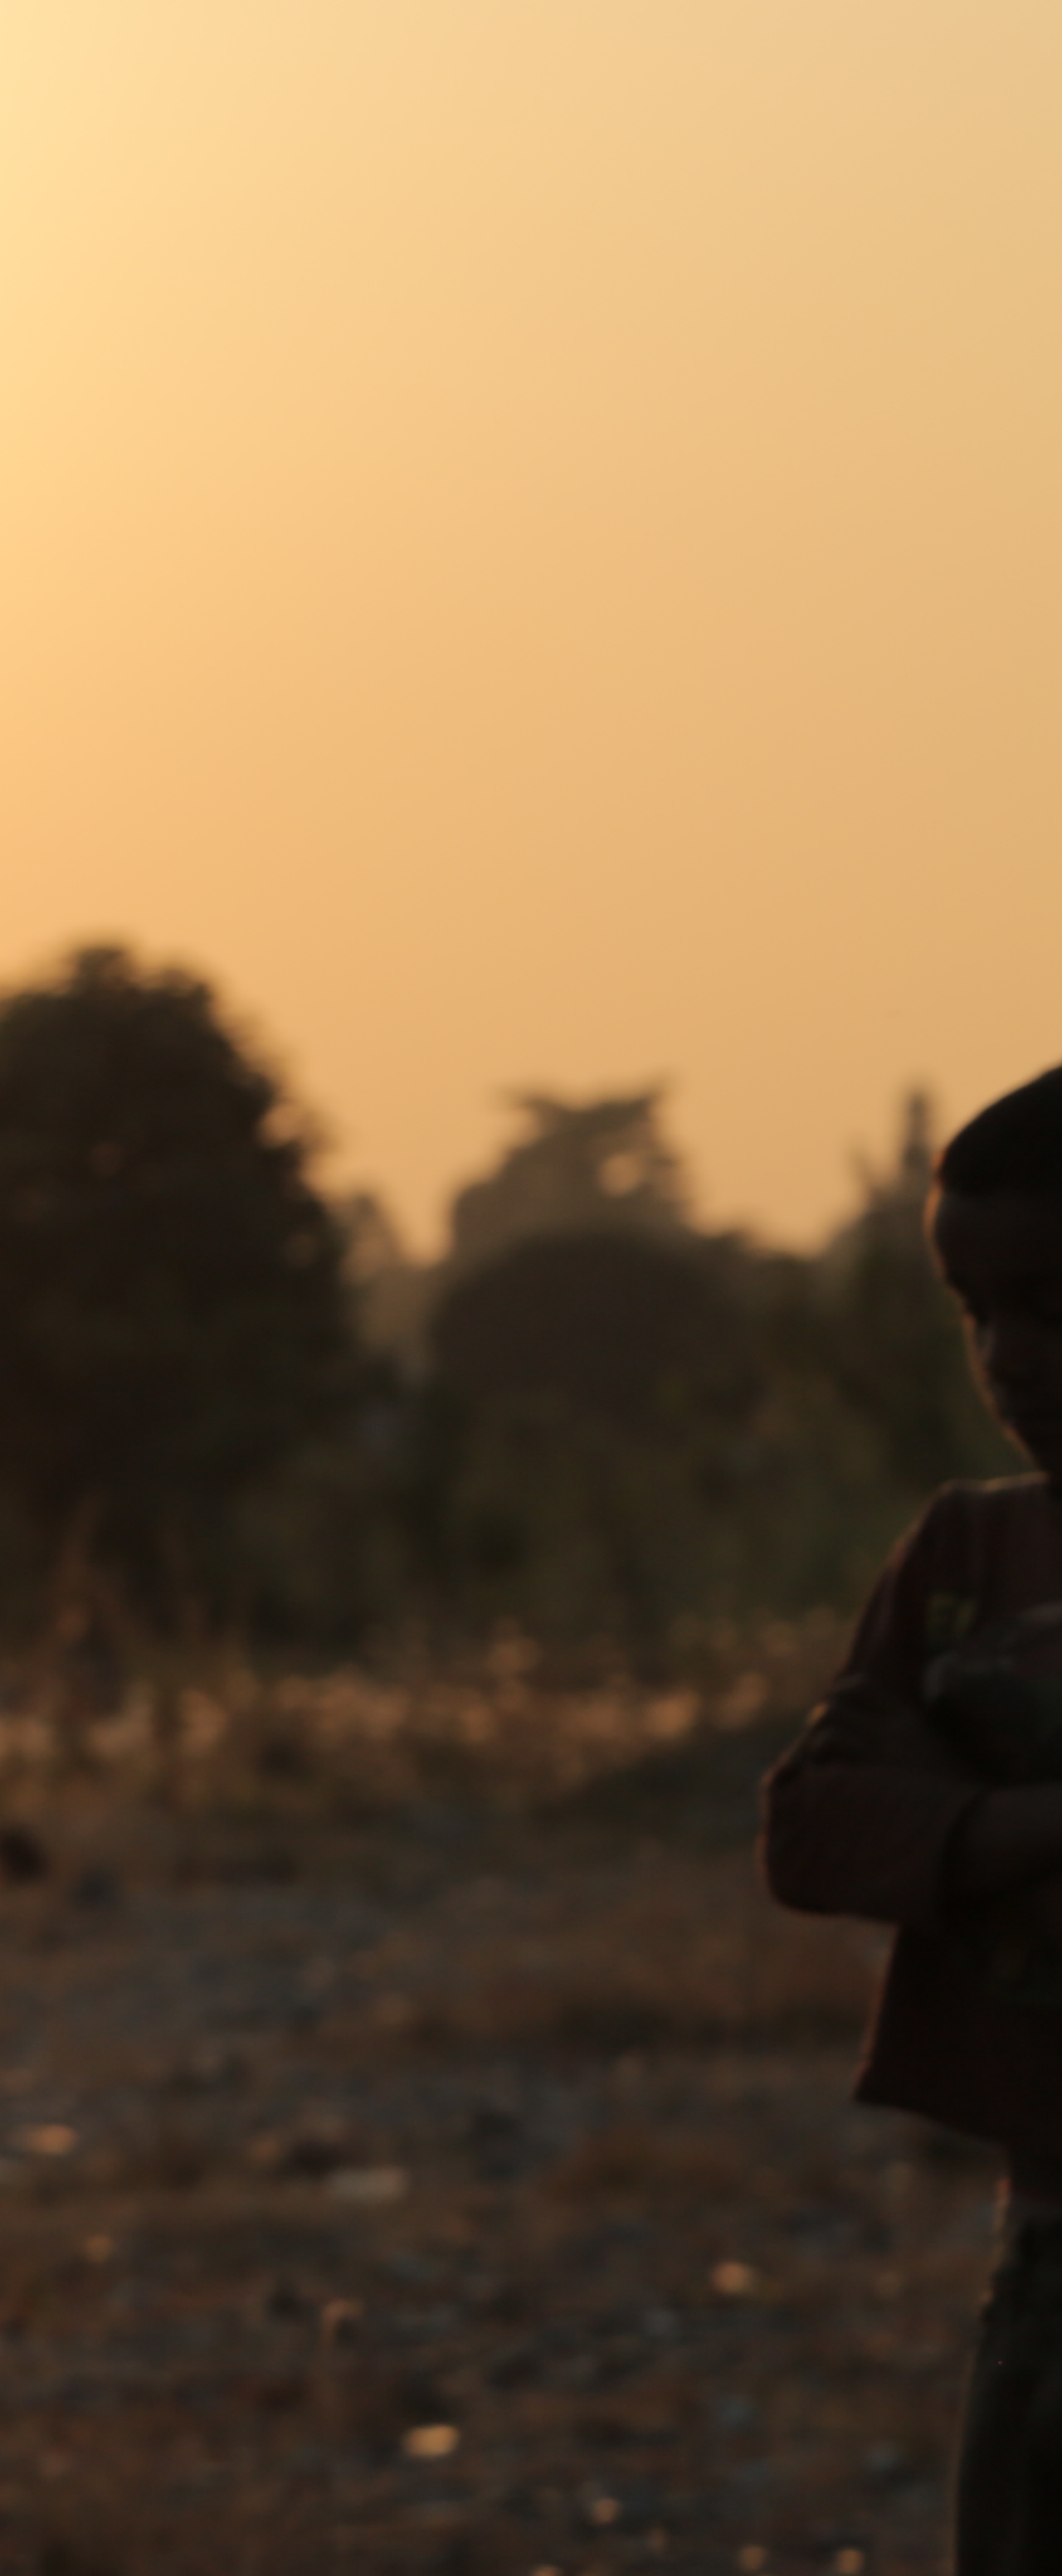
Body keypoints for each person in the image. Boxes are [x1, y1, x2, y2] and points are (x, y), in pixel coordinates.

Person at [764, 1064, 1062, 2575]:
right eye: (974, 1305)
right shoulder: (966, 1553)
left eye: (1053, 1301)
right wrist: (1013, 1825)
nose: (1010, 1353)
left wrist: (953, 1814)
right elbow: (811, 1829)